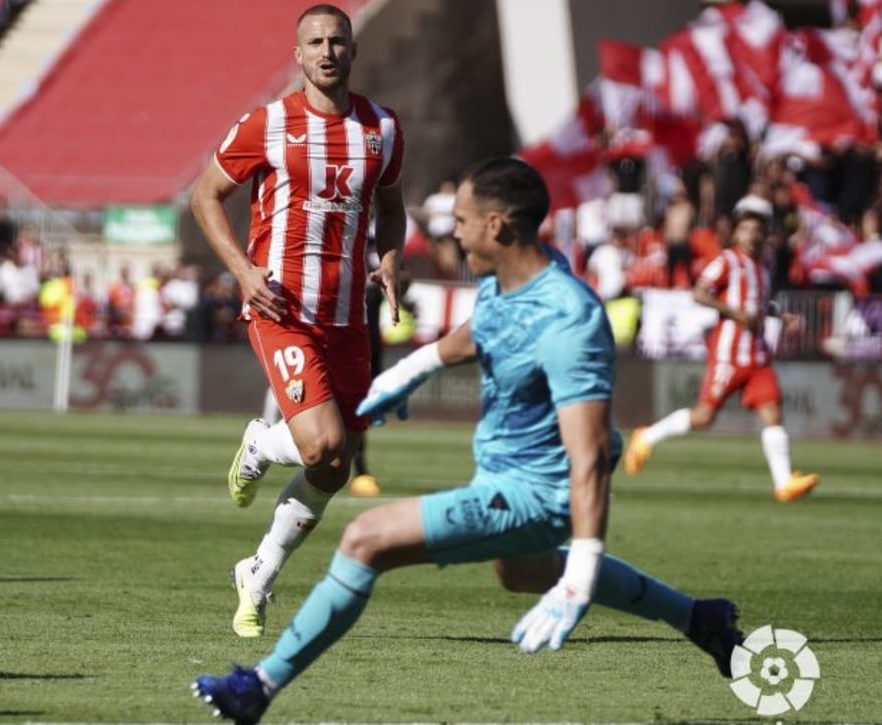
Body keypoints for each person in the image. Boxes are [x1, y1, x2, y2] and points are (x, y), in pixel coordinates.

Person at [192, 158, 742, 724]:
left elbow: (591, 457)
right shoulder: (518, 275)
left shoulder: (569, 321)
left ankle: (256, 688)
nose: (452, 230)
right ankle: (700, 618)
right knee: (522, 572)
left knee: (364, 540)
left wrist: (580, 573)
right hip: (509, 478)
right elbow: (482, 331)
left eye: (462, 219)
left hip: (532, 496)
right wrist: (409, 373)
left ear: (497, 225)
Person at [190, 3, 406, 639]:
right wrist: (242, 272)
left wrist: (389, 258)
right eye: (315, 42)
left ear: (352, 50)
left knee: (334, 467)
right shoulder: (269, 124)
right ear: (299, 55)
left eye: (337, 40)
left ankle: (257, 572)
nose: (327, 51)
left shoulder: (384, 128)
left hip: (349, 318)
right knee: (322, 444)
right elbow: (204, 197)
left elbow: (391, 205)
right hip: (281, 308)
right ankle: (261, 442)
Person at [623, 195, 819, 502]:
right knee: (703, 416)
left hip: (757, 354)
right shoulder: (727, 261)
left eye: (757, 230)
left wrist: (779, 314)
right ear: (737, 233)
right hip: (729, 354)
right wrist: (732, 312)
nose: (752, 235)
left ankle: (783, 483)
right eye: (746, 230)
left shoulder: (762, 267)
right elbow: (699, 293)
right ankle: (645, 436)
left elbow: (755, 304)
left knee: (773, 413)